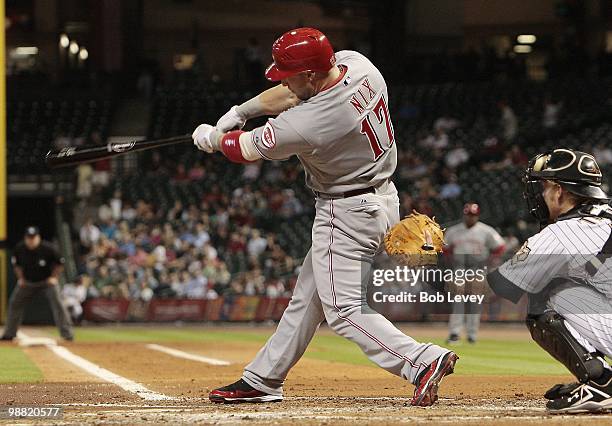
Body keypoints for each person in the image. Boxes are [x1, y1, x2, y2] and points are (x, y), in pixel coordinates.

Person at [192, 27, 457, 406]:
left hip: (345, 211)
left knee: (343, 310)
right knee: (309, 296)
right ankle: (264, 378)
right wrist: (239, 112)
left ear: (312, 75)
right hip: (381, 197)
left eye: (290, 73)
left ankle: (420, 361)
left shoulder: (310, 121)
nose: (283, 79)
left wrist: (213, 138)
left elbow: (246, 149)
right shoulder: (359, 65)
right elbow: (289, 92)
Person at [487, 149, 612, 414]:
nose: (541, 195)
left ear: (558, 191)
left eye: (544, 187)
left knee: (546, 291)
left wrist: (431, 273)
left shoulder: (564, 231)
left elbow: (500, 286)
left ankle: (603, 381)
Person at [445, 203, 505, 344]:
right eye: (468, 215)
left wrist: (490, 259)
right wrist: (450, 258)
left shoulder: (485, 230)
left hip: (477, 268)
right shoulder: (454, 231)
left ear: (477, 216)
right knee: (458, 302)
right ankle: (455, 333)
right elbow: (444, 247)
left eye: (473, 215)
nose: (470, 218)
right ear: (464, 215)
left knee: (475, 303)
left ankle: (472, 334)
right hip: (459, 268)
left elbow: (500, 246)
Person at [1, 227, 73, 341]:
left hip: (46, 282)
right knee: (15, 303)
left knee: (58, 303)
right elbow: (17, 265)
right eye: (29, 238)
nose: (31, 240)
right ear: (25, 238)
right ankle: (9, 333)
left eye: (33, 238)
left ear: (38, 237)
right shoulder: (20, 248)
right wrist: (21, 279)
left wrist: (53, 278)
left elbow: (60, 263)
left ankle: (67, 334)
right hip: (28, 282)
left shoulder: (48, 248)